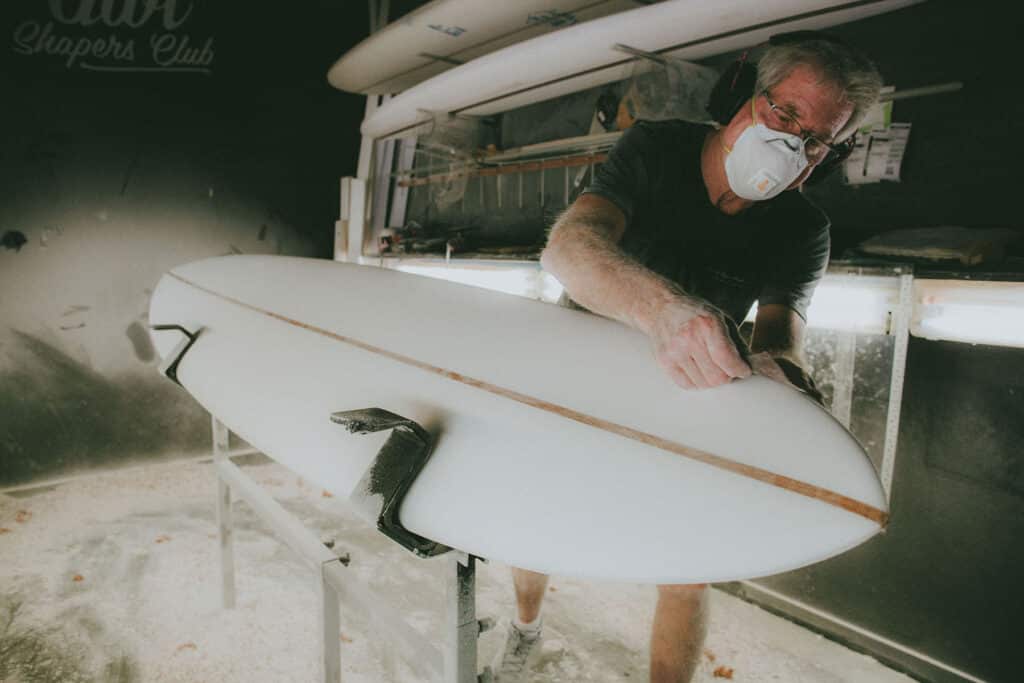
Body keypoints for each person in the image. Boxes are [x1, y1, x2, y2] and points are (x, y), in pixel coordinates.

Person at [493, 32, 882, 683]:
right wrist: (662, 310)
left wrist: (780, 373)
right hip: (577, 373)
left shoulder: (803, 227)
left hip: (685, 392)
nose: (792, 143)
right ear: (739, 97)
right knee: (536, 519)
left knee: (688, 568)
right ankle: (525, 627)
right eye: (783, 114)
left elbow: (780, 335)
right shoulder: (655, 149)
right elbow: (571, 246)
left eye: (815, 139)